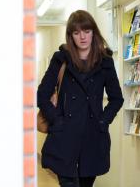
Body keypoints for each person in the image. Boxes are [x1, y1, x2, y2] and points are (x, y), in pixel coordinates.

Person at [37, 10, 124, 187]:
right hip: (64, 137)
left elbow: (117, 98)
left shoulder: (105, 62)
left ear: (94, 32)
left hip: (92, 136)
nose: (82, 37)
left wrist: (103, 121)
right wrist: (57, 121)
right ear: (71, 36)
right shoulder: (61, 59)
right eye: (77, 33)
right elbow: (42, 95)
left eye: (87, 31)